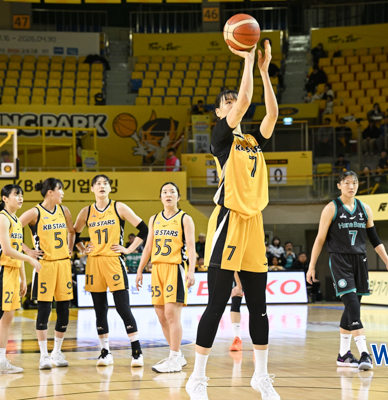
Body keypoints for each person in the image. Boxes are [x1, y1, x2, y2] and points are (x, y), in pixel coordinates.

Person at [186, 40, 280, 400]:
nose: (233, 103)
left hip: (254, 223)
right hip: (227, 220)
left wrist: (264, 72)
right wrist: (247, 60)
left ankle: (261, 376)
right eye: (226, 102)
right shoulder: (221, 138)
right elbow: (244, 102)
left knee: (259, 307)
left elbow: (271, 115)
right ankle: (197, 378)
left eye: (233, 100)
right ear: (218, 111)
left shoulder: (253, 141)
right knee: (217, 304)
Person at [307, 171, 388, 371]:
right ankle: (365, 354)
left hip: (360, 261)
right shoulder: (331, 208)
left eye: (354, 183)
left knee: (351, 308)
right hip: (340, 261)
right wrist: (312, 265)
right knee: (353, 306)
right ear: (339, 185)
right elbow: (320, 239)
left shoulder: (365, 209)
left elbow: (375, 239)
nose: (351, 186)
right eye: (347, 182)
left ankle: (343, 356)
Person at [73, 174, 148, 368]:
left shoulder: (119, 207)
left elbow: (144, 229)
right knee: (100, 310)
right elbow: (73, 234)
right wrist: (82, 249)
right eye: (98, 183)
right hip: (94, 263)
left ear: (110, 188)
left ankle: (137, 351)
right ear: (92, 188)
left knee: (123, 308)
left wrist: (129, 249)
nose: (102, 186)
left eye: (105, 183)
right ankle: (105, 352)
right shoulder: (86, 211)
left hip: (114, 261)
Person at [0, 184, 42, 378]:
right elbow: (7, 250)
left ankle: (0, 362)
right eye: (16, 195)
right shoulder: (1, 219)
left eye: (22, 195)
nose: (20, 198)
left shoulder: (16, 221)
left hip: (13, 273)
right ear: (5, 198)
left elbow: (18, 249)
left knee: (8, 318)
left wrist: (23, 278)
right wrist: (30, 259)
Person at [135, 182, 196, 373]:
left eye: (172, 192)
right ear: (160, 197)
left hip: (174, 268)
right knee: (161, 316)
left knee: (171, 314)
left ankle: (174, 358)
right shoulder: (154, 219)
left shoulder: (185, 219)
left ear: (178, 197)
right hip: (157, 269)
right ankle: (176, 355)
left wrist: (191, 270)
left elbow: (192, 248)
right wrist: (139, 270)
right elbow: (148, 247)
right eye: (164, 192)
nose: (168, 195)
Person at [19, 178, 75, 370]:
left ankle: (56, 352)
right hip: (44, 266)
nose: (63, 193)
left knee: (64, 310)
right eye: (60, 189)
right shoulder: (34, 212)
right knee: (44, 309)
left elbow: (71, 231)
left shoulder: (64, 211)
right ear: (50, 192)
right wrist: (28, 251)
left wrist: (70, 247)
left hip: (63, 264)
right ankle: (43, 355)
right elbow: (11, 231)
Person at [229, 272, 244, 352]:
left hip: (255, 271)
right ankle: (237, 338)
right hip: (237, 272)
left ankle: (258, 341)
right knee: (235, 302)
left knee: (255, 306)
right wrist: (238, 284)